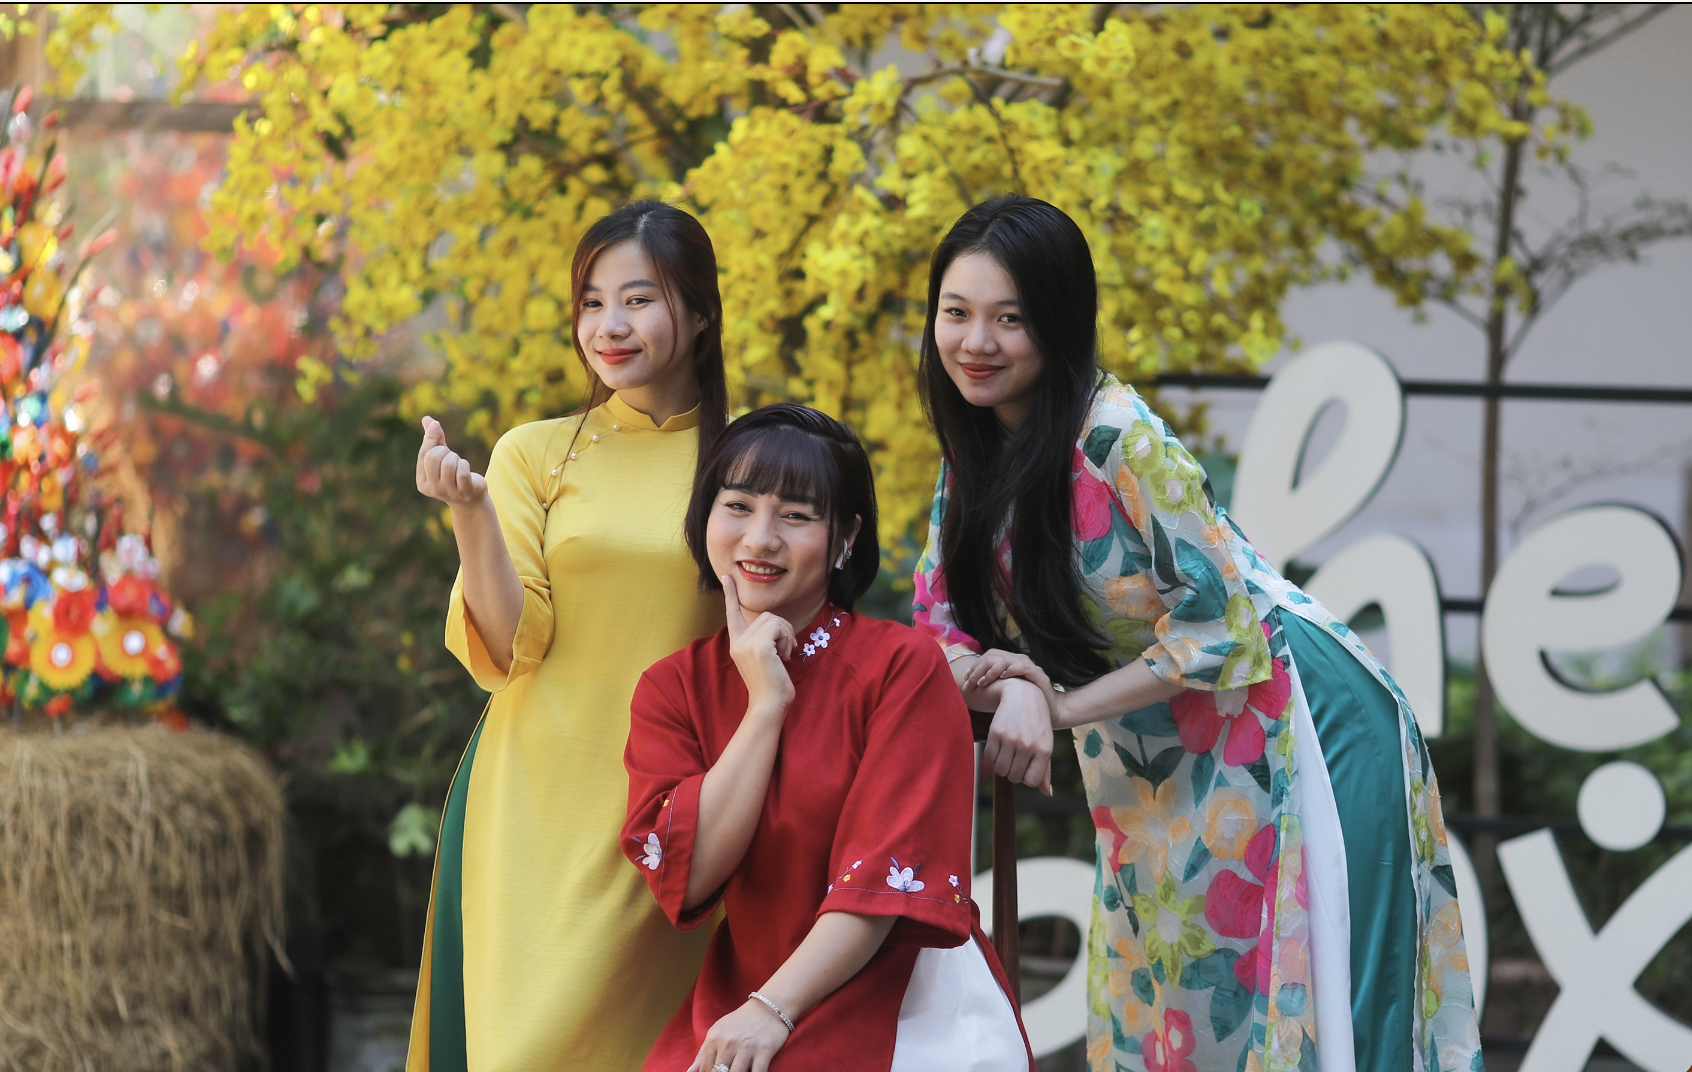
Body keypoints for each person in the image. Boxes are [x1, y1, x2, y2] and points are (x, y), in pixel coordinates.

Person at [911, 196, 1482, 1072]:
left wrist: (1054, 709)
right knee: (1174, 1004)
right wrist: (1013, 686)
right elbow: (934, 630)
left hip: (1292, 725)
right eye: (957, 313)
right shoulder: (976, 453)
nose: (975, 341)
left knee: (1295, 1000)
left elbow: (1222, 631)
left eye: (1009, 318)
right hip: (1155, 750)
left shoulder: (1116, 440)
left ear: (1058, 324)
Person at [407, 201, 732, 1072]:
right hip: (532, 801)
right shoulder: (537, 454)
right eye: (592, 302)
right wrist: (472, 514)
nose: (609, 326)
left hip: (673, 810)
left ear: (700, 314)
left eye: (639, 299)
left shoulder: (747, 462)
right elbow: (510, 646)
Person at [622, 404, 1032, 1072]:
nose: (760, 538)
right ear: (704, 520)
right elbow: (688, 876)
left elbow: (880, 889)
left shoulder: (901, 667)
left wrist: (771, 1011)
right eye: (739, 506)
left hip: (903, 998)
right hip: (744, 991)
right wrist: (765, 706)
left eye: (796, 515)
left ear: (844, 538)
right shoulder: (674, 687)